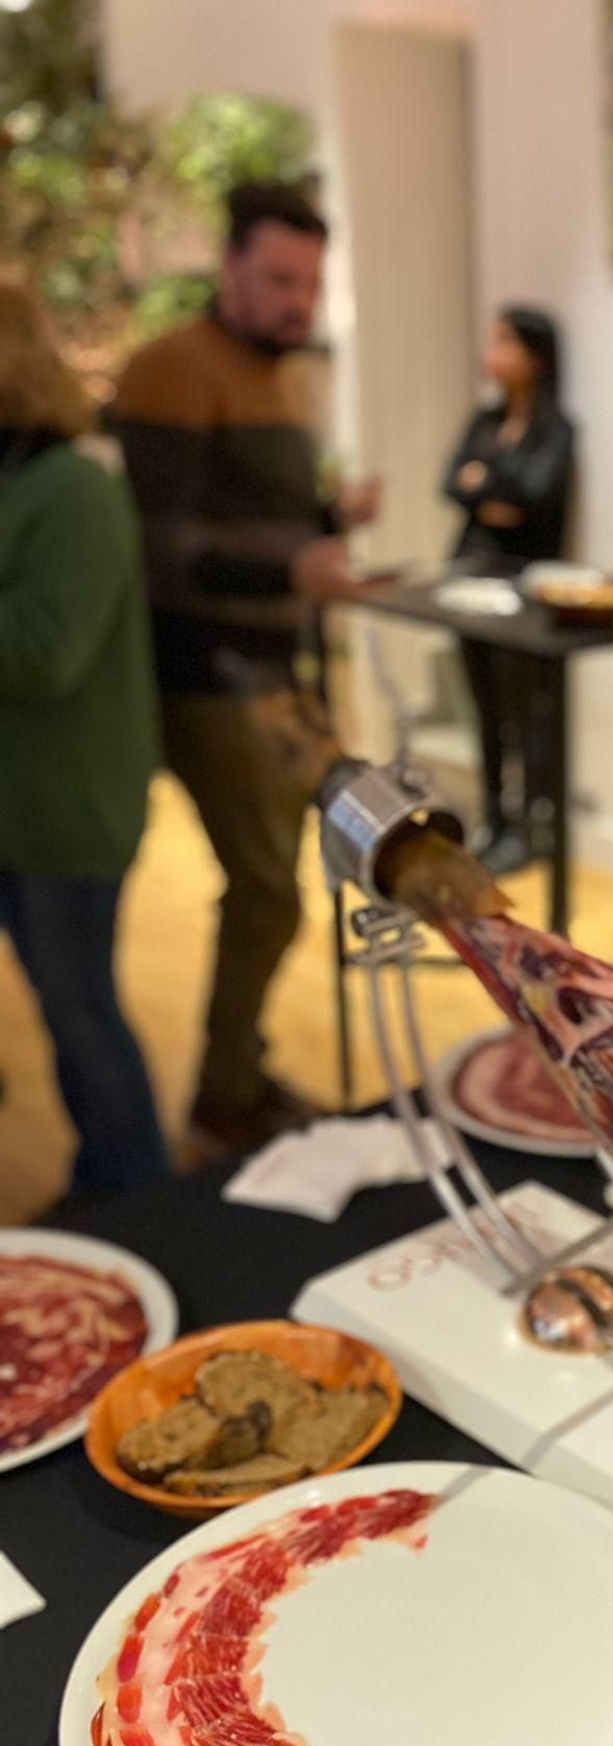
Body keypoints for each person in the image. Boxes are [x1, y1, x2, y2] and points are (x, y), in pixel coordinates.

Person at [112, 182, 383, 1157]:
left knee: (291, 875)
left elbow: (253, 508)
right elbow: (154, 544)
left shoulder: (277, 372)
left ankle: (237, 1074)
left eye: (307, 284)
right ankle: (225, 1090)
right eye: (275, 280)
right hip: (206, 673)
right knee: (268, 885)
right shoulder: (168, 370)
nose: (294, 302)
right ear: (227, 268)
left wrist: (328, 523)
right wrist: (286, 565)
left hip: (273, 661)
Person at [0, 286, 167, 1195]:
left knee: (81, 1012)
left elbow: (44, 654)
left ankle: (139, 1195)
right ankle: (107, 1179)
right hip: (22, 807)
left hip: (68, 811)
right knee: (61, 1008)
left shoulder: (73, 488)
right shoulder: (22, 481)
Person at [443, 306, 576, 874]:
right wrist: (492, 494)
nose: (492, 352)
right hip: (471, 581)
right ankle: (496, 819)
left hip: (526, 590)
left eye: (505, 342)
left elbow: (535, 495)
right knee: (486, 709)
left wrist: (486, 481)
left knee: (530, 713)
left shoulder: (557, 430)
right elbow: (452, 482)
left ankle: (531, 827)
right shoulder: (484, 419)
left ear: (535, 357)